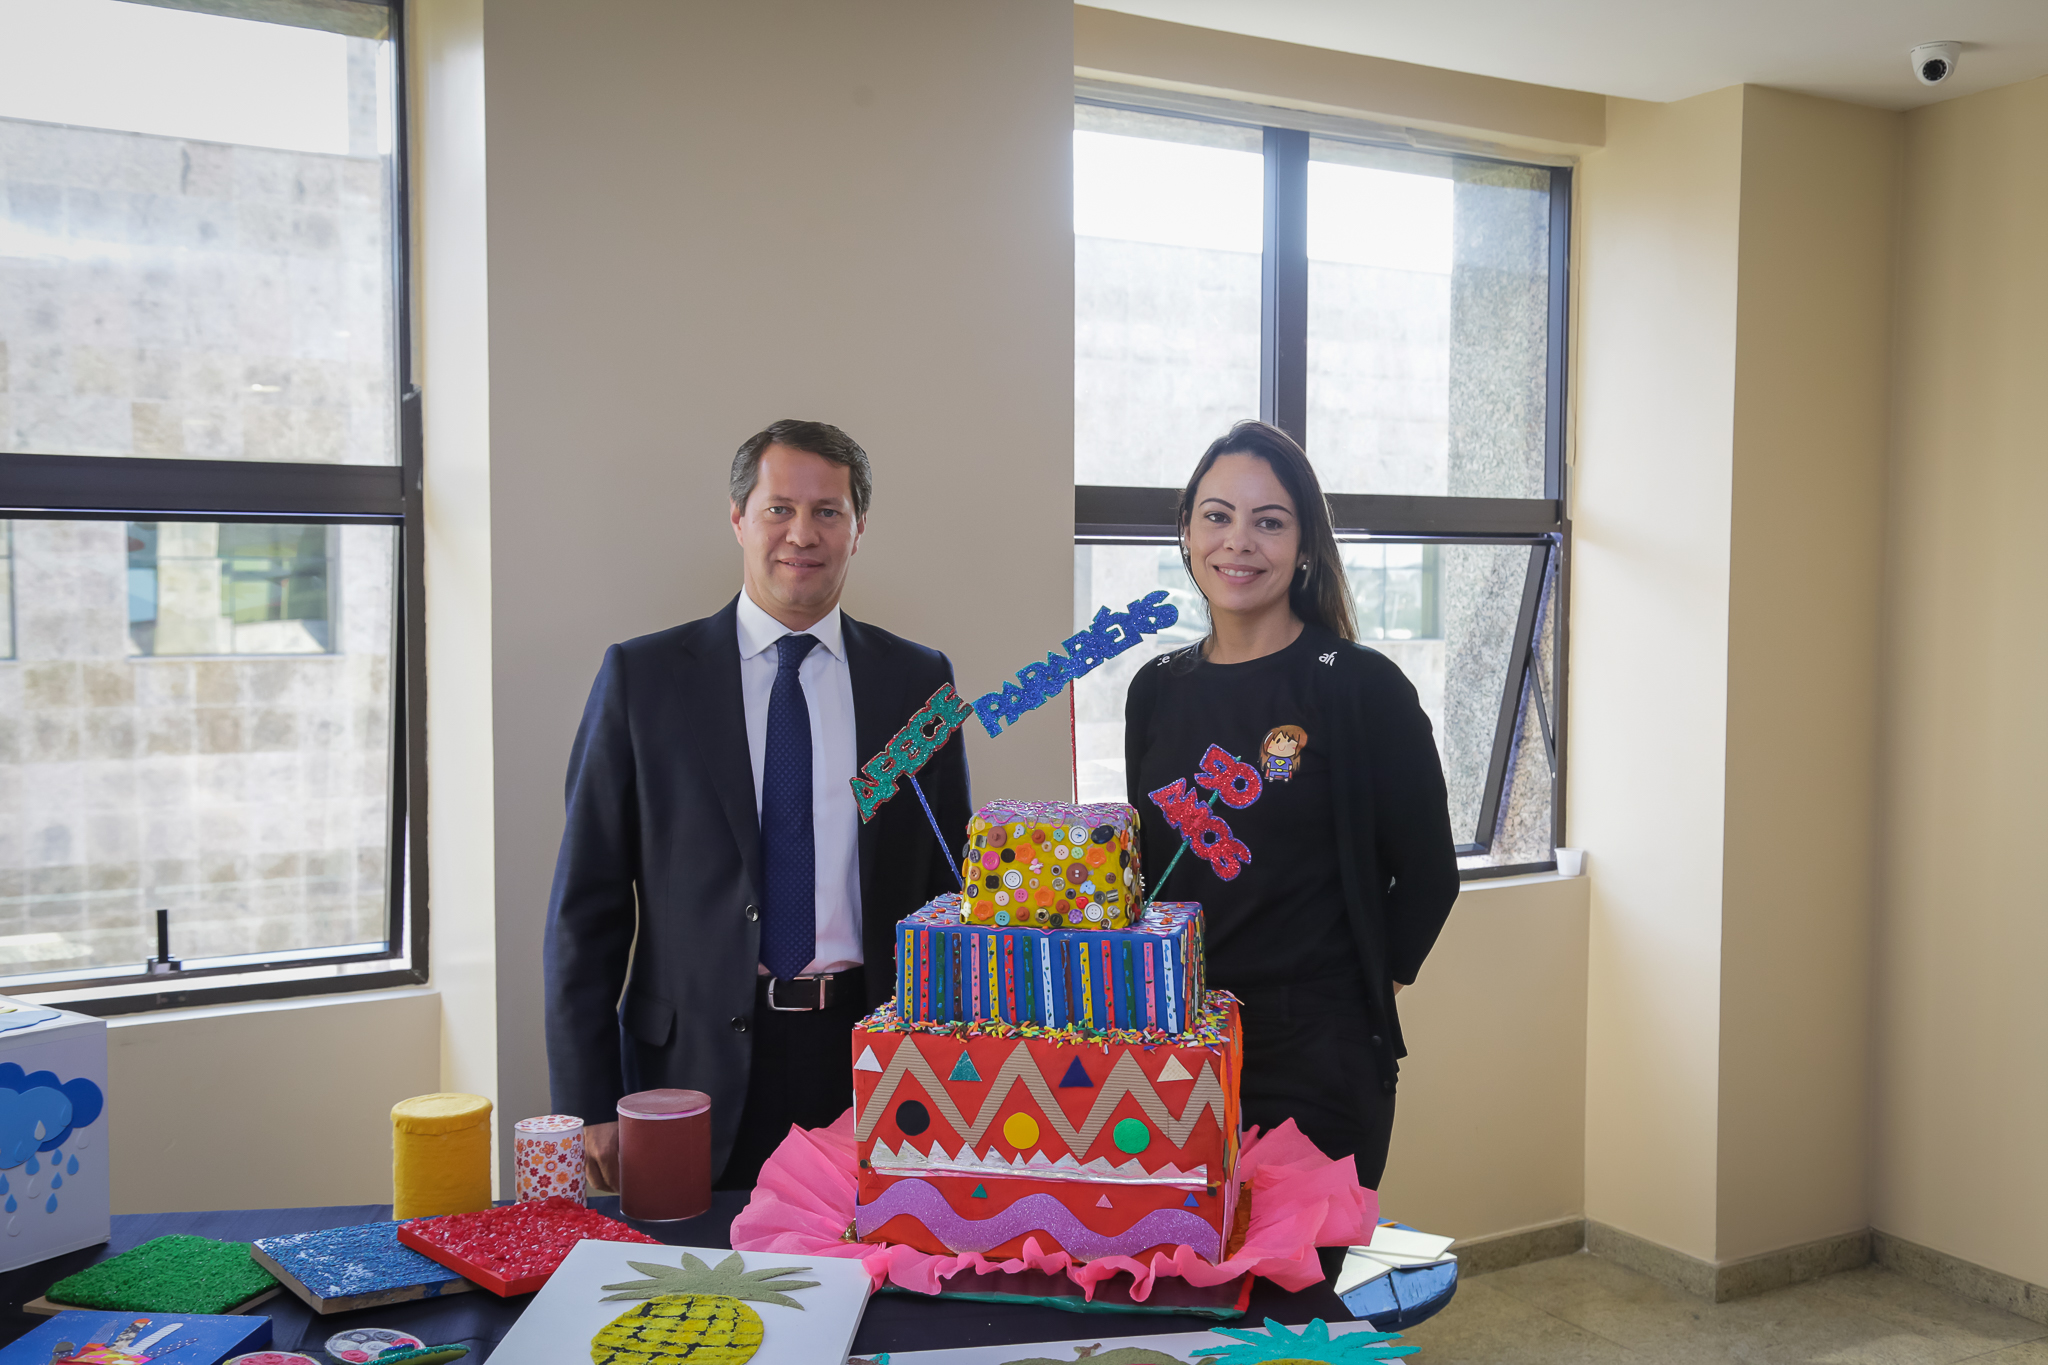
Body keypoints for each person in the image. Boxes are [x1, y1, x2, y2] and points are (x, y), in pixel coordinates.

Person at [544, 419, 970, 1193]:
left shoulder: (918, 683)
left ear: (859, 529)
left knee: (872, 1263)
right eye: (780, 509)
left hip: (874, 1059)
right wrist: (586, 1102)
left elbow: (948, 897)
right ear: (738, 518)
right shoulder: (644, 679)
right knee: (694, 1267)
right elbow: (585, 911)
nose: (802, 534)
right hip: (687, 1071)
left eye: (828, 511)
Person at [1123, 419, 1458, 1188]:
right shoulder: (1156, 688)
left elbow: (1429, 875)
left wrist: (1352, 996)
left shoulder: (1360, 686)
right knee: (1175, 1264)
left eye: (1269, 522)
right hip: (1174, 1043)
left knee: (1297, 1267)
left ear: (1304, 545)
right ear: (1186, 530)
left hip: (1316, 1062)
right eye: (1217, 515)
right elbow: (1148, 872)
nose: (1238, 541)